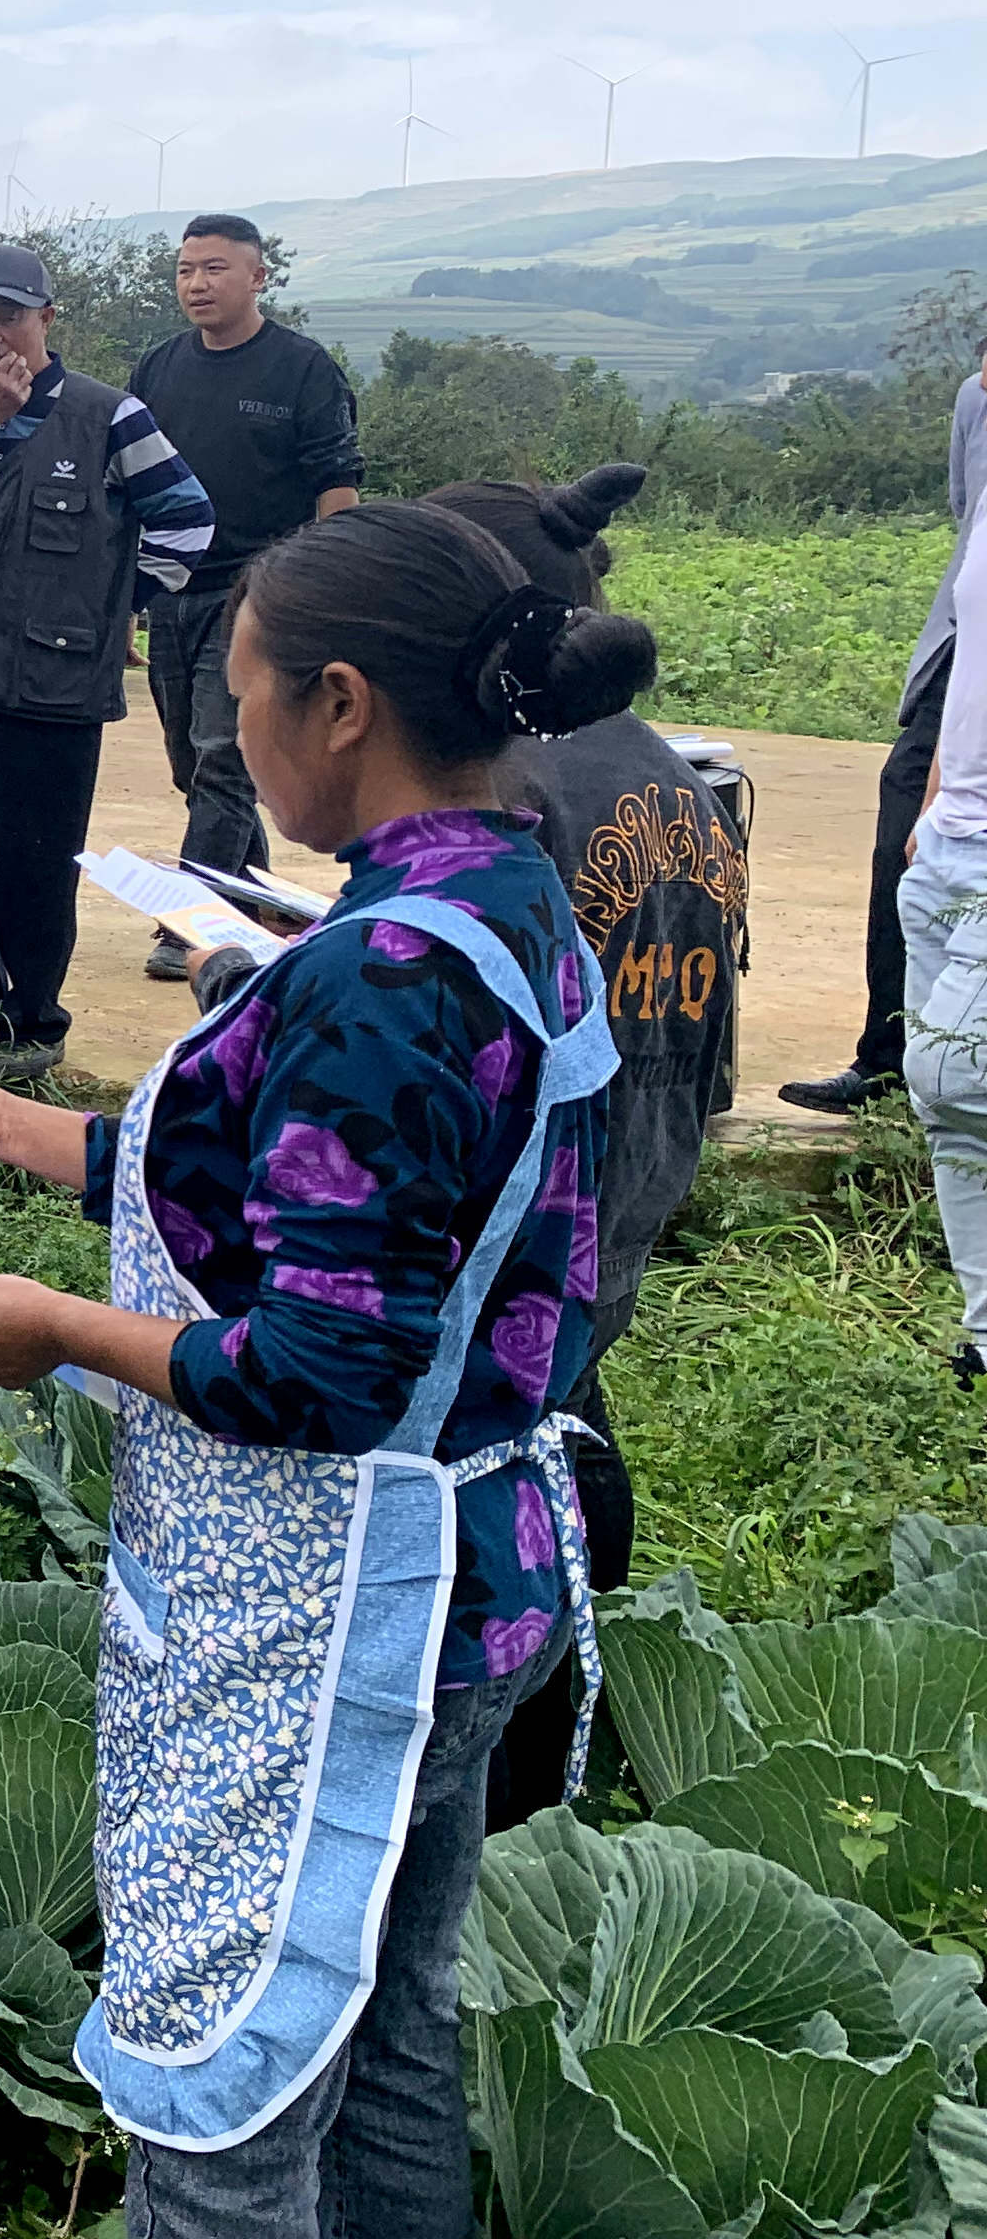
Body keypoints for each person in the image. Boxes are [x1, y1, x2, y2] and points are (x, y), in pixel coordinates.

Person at [0, 501, 644, 2237]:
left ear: (338, 703)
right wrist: (20, 1124)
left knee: (227, 2084)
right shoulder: (501, 893)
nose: (227, 737)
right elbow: (338, 1189)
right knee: (385, 2028)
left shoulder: (378, 971)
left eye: (239, 696)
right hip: (470, 1585)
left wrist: (50, 1329)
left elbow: (318, 1368)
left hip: (324, 1617)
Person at [430, 465, 750, 1821]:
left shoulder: (531, 794)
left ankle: (526, 1748)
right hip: (651, 1157)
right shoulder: (684, 781)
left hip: (549, 1182)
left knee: (525, 1445)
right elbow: (720, 1012)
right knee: (571, 1408)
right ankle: (559, 1717)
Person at [0, 240, 218, 1080]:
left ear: (46, 322)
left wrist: (115, 604)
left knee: (35, 866)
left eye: (9, 317)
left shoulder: (111, 416)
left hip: (56, 691)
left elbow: (188, 521)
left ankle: (32, 1025)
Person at [125, 213, 364, 972]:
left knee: (220, 758)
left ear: (258, 277)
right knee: (192, 766)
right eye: (187, 269)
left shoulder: (301, 369)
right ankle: (253, 899)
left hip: (259, 594)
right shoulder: (158, 369)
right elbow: (125, 485)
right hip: (169, 589)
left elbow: (338, 485)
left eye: (216, 268)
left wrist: (324, 593)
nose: (198, 283)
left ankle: (191, 925)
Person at [786, 332, 987, 1115]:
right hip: (963, 657)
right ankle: (891, 1061)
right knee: (904, 837)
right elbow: (968, 523)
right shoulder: (975, 400)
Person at [879, 485, 987, 1390]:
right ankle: (983, 1345)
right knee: (950, 1121)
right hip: (950, 844)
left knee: (954, 1076)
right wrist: (936, 798)